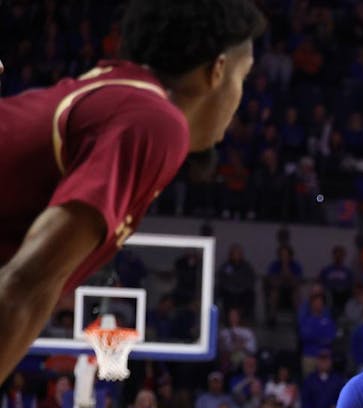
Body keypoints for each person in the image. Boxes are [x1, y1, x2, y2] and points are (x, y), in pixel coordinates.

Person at [0, 0, 265, 380]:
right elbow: (22, 286)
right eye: (244, 76)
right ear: (217, 71)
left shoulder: (117, 91)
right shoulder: (154, 120)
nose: (241, 97)